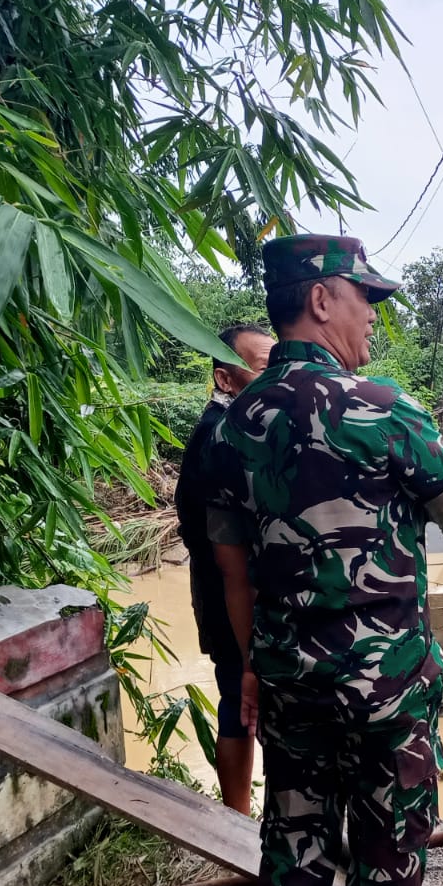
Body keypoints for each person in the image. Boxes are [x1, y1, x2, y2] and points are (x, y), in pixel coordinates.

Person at [201, 234, 443, 886]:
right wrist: (437, 453)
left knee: (292, 848)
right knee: (387, 855)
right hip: (388, 694)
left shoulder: (236, 425)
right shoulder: (381, 405)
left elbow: (232, 571)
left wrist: (253, 667)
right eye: (364, 297)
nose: (373, 314)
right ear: (320, 299)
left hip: (290, 685)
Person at [174, 323, 275, 816]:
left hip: (233, 589)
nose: (273, 377)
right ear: (225, 379)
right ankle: (238, 817)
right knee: (241, 701)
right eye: (260, 369)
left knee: (243, 702)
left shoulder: (235, 427)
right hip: (227, 593)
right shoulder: (220, 436)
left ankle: (242, 817)